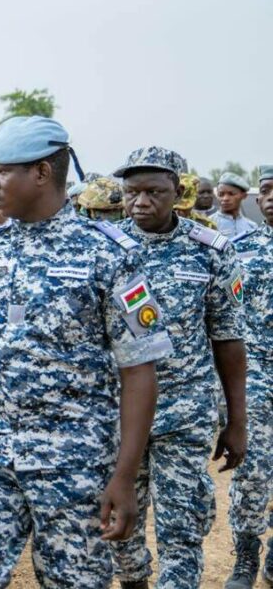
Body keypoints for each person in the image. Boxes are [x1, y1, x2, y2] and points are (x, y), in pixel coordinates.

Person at [0, 117, 171, 588]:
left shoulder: (109, 254)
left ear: (43, 173)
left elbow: (140, 370)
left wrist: (125, 476)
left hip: (75, 461)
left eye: (4, 171)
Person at [109, 147, 247, 589]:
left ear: (179, 192)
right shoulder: (105, 249)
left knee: (182, 528)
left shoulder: (209, 252)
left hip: (185, 413)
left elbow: (227, 339)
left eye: (154, 192)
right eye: (132, 192)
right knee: (118, 526)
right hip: (117, 414)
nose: (141, 202)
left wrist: (236, 421)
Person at [225, 165, 273, 588]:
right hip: (256, 371)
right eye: (265, 190)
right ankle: (245, 553)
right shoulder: (242, 251)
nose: (270, 197)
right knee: (255, 466)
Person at [215, 172, 258, 237]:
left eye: (231, 194)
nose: (225, 198)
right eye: (221, 194)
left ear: (244, 196)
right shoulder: (208, 224)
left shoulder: (252, 227)